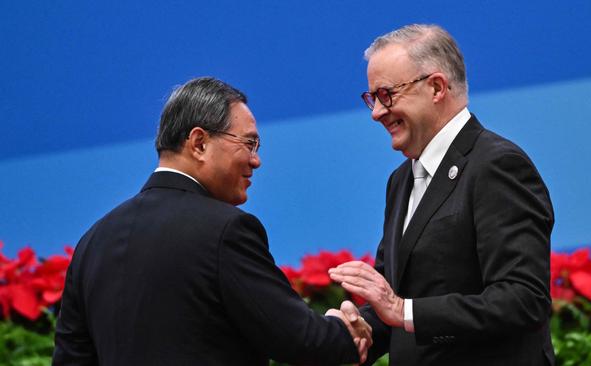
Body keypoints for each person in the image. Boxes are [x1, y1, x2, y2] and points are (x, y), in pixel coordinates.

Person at [53, 77, 371, 365]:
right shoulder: (225, 230)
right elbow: (301, 339)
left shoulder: (93, 241)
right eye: (249, 144)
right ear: (199, 143)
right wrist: (350, 331)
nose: (256, 160)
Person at [329, 24, 554, 365]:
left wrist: (403, 310)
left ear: (436, 87)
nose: (376, 112)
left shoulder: (497, 165)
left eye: (387, 94)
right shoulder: (401, 179)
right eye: (371, 98)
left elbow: (523, 299)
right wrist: (356, 331)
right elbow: (396, 302)